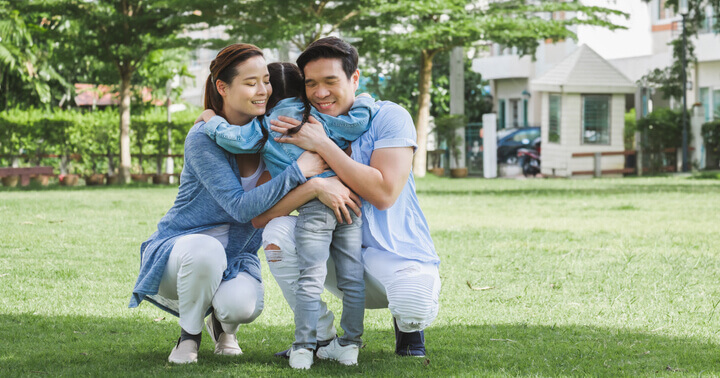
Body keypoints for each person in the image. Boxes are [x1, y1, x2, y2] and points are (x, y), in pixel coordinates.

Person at [128, 43, 356, 364]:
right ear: (222, 87)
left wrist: (316, 178)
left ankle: (223, 324)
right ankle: (188, 337)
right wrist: (301, 173)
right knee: (205, 251)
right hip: (179, 252)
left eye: (266, 81)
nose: (263, 90)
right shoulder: (203, 138)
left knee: (242, 306)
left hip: (235, 258)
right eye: (251, 83)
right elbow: (240, 207)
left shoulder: (274, 145)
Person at [256, 37, 441, 358]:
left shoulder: (388, 116)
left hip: (395, 256)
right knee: (276, 234)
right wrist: (313, 186)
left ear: (354, 78)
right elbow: (261, 215)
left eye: (331, 81)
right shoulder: (295, 127)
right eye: (311, 84)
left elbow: (383, 194)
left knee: (412, 304)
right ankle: (319, 337)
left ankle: (409, 329)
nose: (321, 92)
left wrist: (323, 145)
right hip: (336, 255)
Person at [197, 62, 378, 369]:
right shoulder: (318, 118)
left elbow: (233, 139)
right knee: (352, 277)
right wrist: (366, 99)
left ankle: (304, 348)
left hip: (315, 207)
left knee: (310, 277)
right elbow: (357, 123)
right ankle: (349, 347)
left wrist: (210, 118)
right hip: (348, 202)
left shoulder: (266, 125)